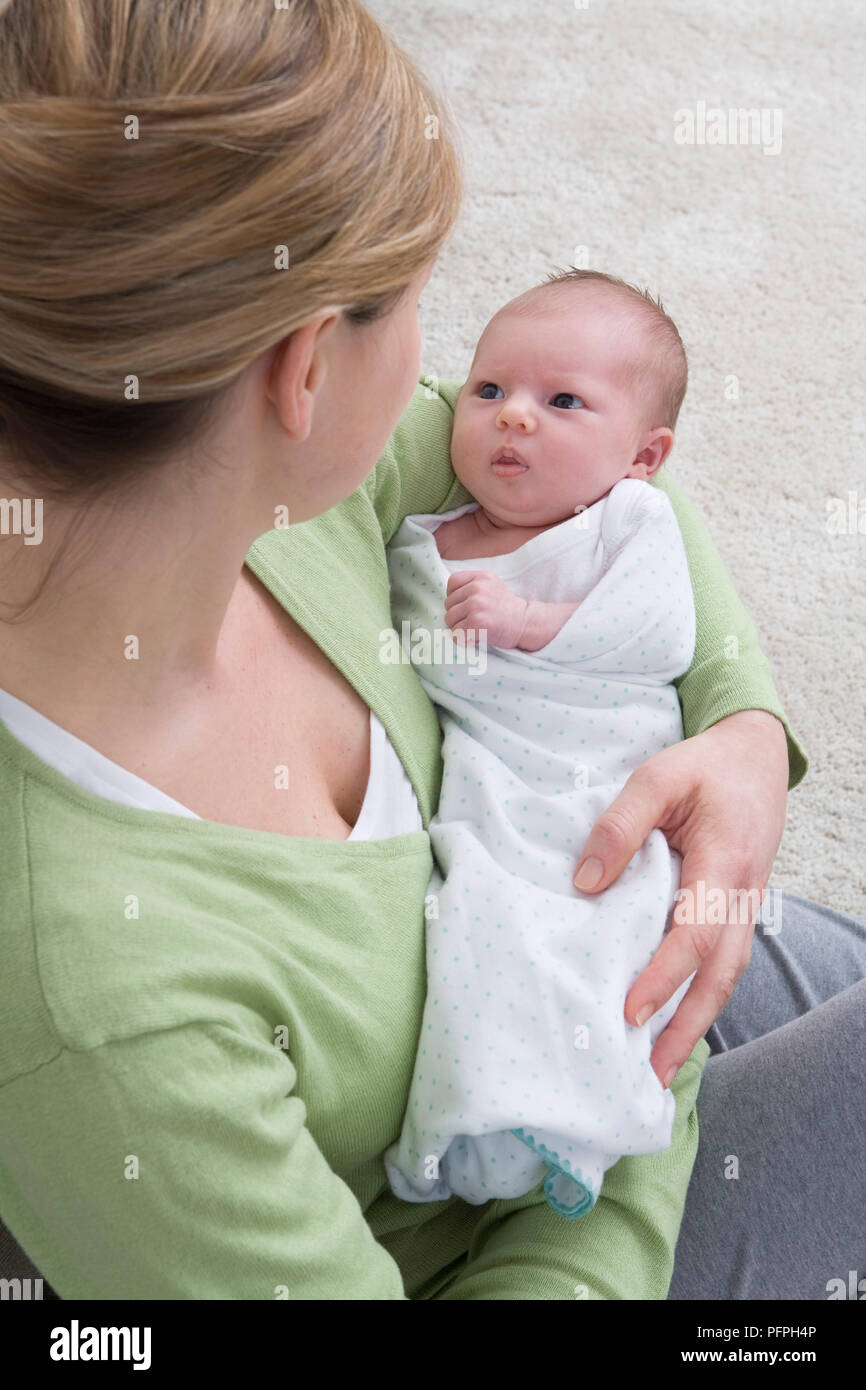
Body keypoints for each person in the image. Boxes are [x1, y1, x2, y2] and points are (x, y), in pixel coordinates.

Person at [0, 0, 858, 1301]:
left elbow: (611, 485)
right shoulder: (100, 1009)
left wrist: (738, 729)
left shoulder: (258, 486)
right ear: (300, 371)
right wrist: (630, 1091)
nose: (465, 393)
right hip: (530, 1226)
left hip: (582, 968)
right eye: (415, 307)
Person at [383, 271, 701, 1216]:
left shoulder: (626, 523)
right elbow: (407, 664)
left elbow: (659, 634)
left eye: (561, 401)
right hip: (494, 781)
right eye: (490, 391)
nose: (513, 418)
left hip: (600, 771)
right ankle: (485, 1116)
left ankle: (576, 1108)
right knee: (486, 916)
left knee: (600, 922)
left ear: (643, 454)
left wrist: (531, 621)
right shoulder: (421, 543)